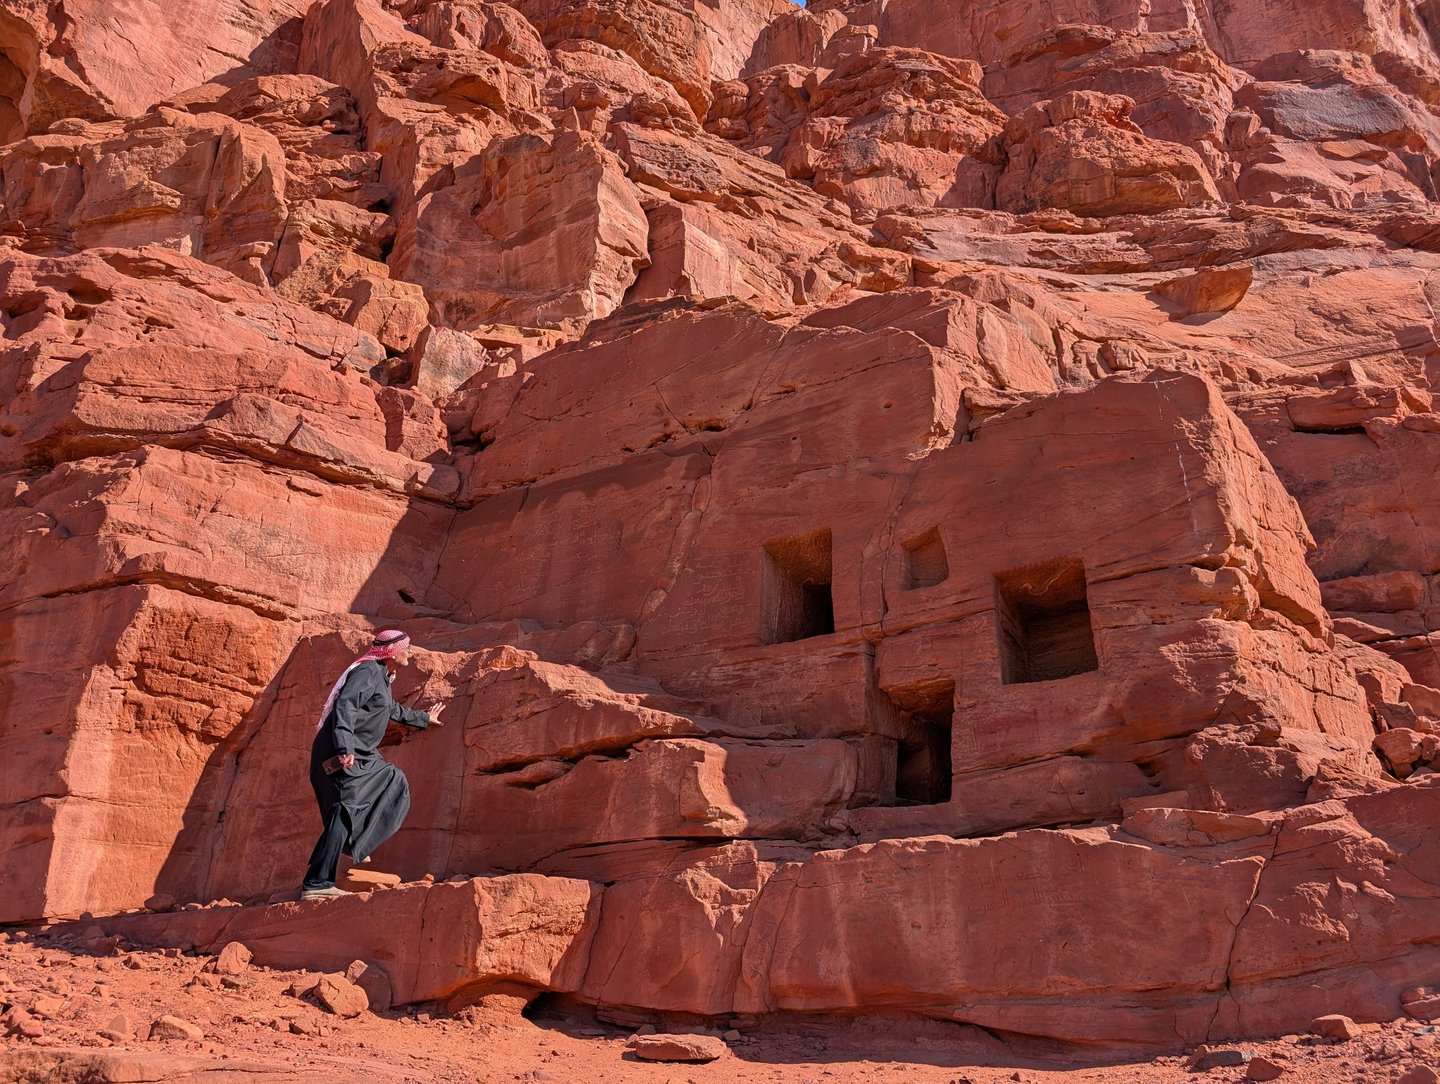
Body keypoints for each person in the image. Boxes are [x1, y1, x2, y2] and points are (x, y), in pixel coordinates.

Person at [300, 629, 444, 901]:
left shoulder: (381, 676)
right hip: (340, 752)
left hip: (362, 753)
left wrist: (424, 719)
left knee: (392, 780)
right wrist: (344, 747)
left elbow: (390, 709)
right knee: (345, 810)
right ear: (391, 652)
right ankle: (317, 882)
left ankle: (352, 844)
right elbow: (345, 707)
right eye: (406, 648)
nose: (410, 653)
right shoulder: (367, 672)